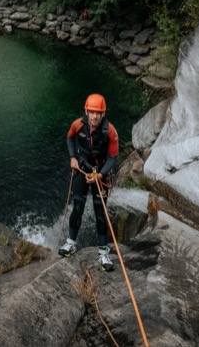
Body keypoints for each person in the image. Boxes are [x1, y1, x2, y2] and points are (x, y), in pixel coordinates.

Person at [58, 93, 119, 272]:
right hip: (82, 169)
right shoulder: (78, 125)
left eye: (97, 113)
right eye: (91, 112)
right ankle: (70, 242)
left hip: (100, 173)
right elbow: (69, 138)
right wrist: (73, 158)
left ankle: (103, 251)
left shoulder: (110, 131)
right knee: (77, 207)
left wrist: (100, 175)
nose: (94, 116)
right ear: (86, 111)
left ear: (103, 114)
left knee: (100, 213)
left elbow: (113, 158)